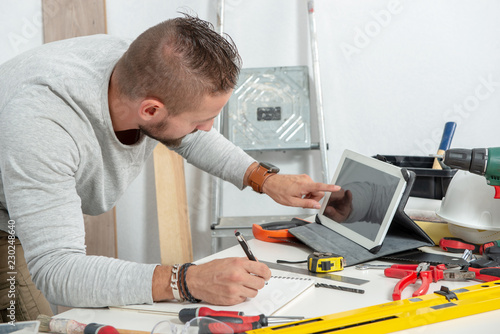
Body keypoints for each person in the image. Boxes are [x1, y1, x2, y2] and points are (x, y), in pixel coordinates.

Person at [0, 14, 339, 321]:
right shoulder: (42, 127)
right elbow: (59, 271)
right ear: (150, 111)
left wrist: (264, 179)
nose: (208, 129)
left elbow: (188, 135)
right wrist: (187, 280)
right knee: (37, 325)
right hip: (5, 216)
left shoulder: (137, 68)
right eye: (202, 121)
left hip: (24, 172)